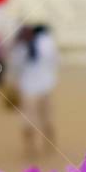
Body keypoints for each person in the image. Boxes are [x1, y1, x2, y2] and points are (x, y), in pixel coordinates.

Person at [10, 23, 58, 156]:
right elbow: (54, 61)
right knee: (42, 117)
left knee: (33, 118)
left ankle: (34, 146)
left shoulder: (20, 49)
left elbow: (14, 70)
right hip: (40, 86)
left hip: (32, 87)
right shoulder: (45, 44)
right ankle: (42, 145)